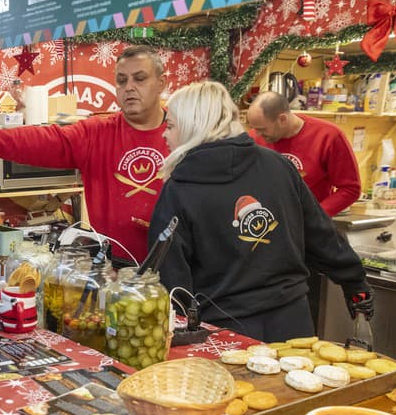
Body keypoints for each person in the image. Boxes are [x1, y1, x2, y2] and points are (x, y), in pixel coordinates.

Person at [149, 81, 371, 342]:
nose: (165, 134)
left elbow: (172, 279)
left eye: (171, 125)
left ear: (192, 126)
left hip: (222, 332)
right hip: (293, 324)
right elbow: (321, 235)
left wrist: (176, 331)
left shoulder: (179, 188)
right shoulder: (279, 166)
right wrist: (354, 283)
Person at [0, 45, 169, 263]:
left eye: (139, 79)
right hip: (115, 271)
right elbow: (45, 140)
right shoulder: (97, 134)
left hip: (174, 268)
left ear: (161, 84)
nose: (129, 87)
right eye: (122, 81)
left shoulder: (183, 134)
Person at [247, 91, 361, 217]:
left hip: (308, 229)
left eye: (262, 129)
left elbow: (351, 189)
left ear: (282, 119)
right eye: (254, 129)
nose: (257, 134)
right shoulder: (253, 139)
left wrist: (315, 216)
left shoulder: (328, 137)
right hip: (267, 223)